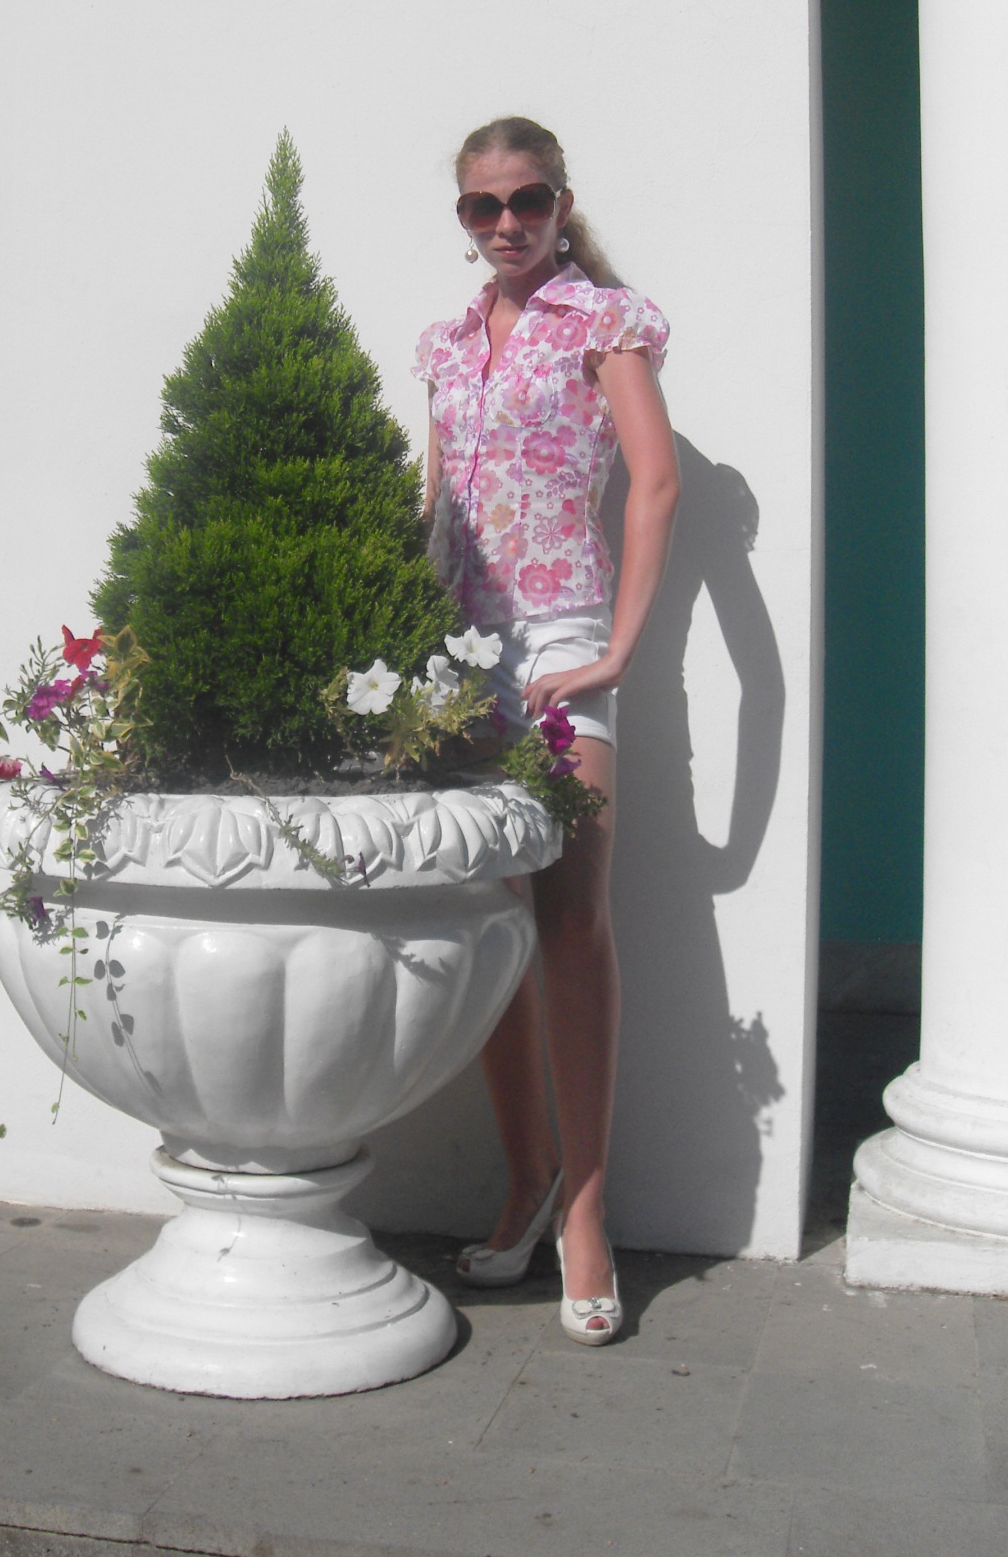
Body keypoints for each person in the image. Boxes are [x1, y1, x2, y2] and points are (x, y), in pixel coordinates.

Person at [414, 115, 679, 1345]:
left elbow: (654, 480)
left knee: (570, 920)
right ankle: (523, 1176)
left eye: (526, 199)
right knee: (486, 922)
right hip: (460, 657)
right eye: (484, 204)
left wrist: (615, 648)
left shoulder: (603, 322)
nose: (507, 222)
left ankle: (584, 1209)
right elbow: (434, 507)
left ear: (561, 203)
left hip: (562, 636)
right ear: (463, 216)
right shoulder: (443, 343)